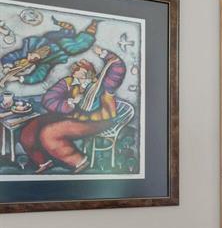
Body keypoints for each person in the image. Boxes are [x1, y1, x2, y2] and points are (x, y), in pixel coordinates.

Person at [18, 46, 127, 174]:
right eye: (76, 70)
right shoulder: (69, 82)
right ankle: (43, 161)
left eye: (81, 70)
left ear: (89, 73)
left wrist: (105, 53)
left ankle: (79, 161)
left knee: (49, 133)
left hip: (97, 120)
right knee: (30, 129)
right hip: (72, 115)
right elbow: (49, 99)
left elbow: (117, 69)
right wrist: (69, 104)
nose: (76, 72)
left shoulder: (102, 84)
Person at [0, 17, 98, 87]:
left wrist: (8, 67)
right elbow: (38, 76)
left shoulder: (31, 48)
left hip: (59, 39)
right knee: (79, 43)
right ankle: (92, 25)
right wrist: (15, 74)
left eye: (31, 56)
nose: (29, 57)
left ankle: (78, 29)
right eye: (31, 59)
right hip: (64, 46)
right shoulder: (44, 62)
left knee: (73, 38)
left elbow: (12, 56)